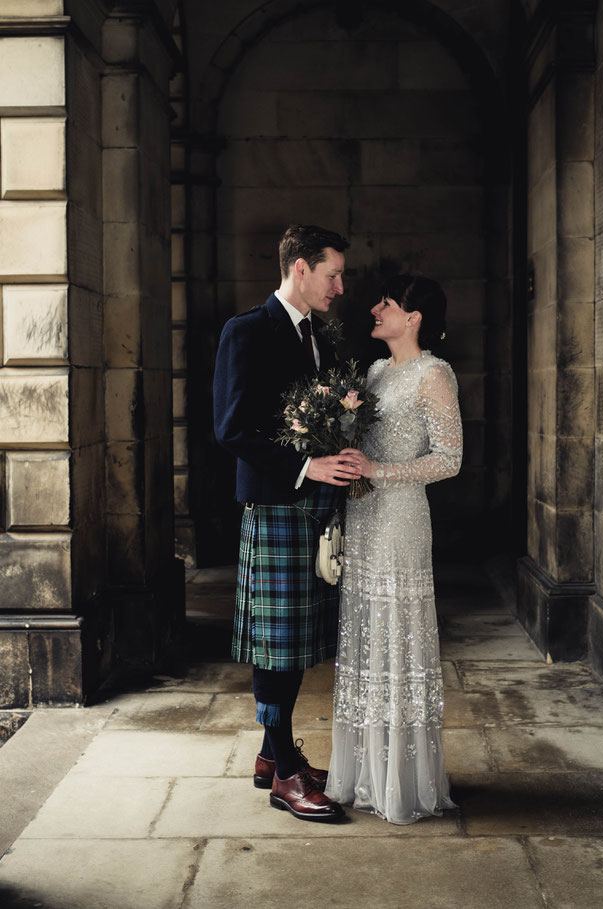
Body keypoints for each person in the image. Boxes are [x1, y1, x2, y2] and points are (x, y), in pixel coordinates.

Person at [213, 224, 360, 824]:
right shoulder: (245, 331)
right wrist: (307, 465)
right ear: (300, 269)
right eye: (333, 274)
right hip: (275, 507)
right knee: (276, 649)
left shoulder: (319, 337)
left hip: (312, 510)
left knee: (294, 645)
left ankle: (274, 757)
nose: (341, 286)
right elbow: (231, 429)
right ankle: (286, 775)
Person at [325, 274, 463, 825]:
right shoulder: (378, 372)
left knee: (395, 636)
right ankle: (364, 773)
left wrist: (379, 471)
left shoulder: (433, 375)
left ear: (414, 319)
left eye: (388, 303)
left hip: (401, 520)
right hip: (364, 515)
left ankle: (402, 782)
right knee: (364, 634)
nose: (375, 309)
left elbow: (449, 458)